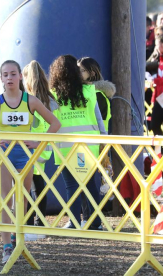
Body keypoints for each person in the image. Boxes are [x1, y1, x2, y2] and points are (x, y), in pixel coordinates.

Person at [0, 60, 60, 264]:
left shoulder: (31, 101)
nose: (9, 78)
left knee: (23, 198)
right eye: (5, 74)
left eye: (13, 74)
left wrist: (38, 142)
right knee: (6, 199)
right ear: (0, 78)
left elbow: (55, 123)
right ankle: (7, 246)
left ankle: (19, 240)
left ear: (20, 76)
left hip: (25, 154)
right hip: (4, 154)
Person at [49, 55, 104, 230]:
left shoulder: (54, 95)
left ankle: (73, 222)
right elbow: (99, 119)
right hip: (90, 145)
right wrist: (104, 139)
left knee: (71, 186)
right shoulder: (89, 91)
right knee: (90, 185)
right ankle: (95, 223)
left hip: (65, 147)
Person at [22, 60, 59, 241]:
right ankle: (40, 221)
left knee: (30, 186)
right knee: (39, 185)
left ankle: (30, 223)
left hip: (32, 146)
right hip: (45, 147)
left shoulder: (30, 100)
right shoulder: (51, 99)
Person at [77, 57, 115, 226]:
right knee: (85, 183)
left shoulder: (97, 94)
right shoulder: (91, 93)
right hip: (92, 143)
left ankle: (94, 220)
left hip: (96, 143)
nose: (77, 74)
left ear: (91, 73)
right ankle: (88, 219)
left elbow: (98, 119)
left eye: (81, 70)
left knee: (90, 185)